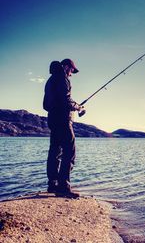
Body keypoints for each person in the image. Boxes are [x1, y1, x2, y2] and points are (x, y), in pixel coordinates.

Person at [43, 59, 84, 198]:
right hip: (62, 120)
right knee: (69, 152)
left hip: (53, 120)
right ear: (66, 67)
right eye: (72, 70)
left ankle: (52, 184)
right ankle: (63, 187)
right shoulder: (62, 78)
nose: (71, 74)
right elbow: (66, 100)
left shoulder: (51, 80)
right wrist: (78, 107)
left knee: (55, 152)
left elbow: (48, 103)